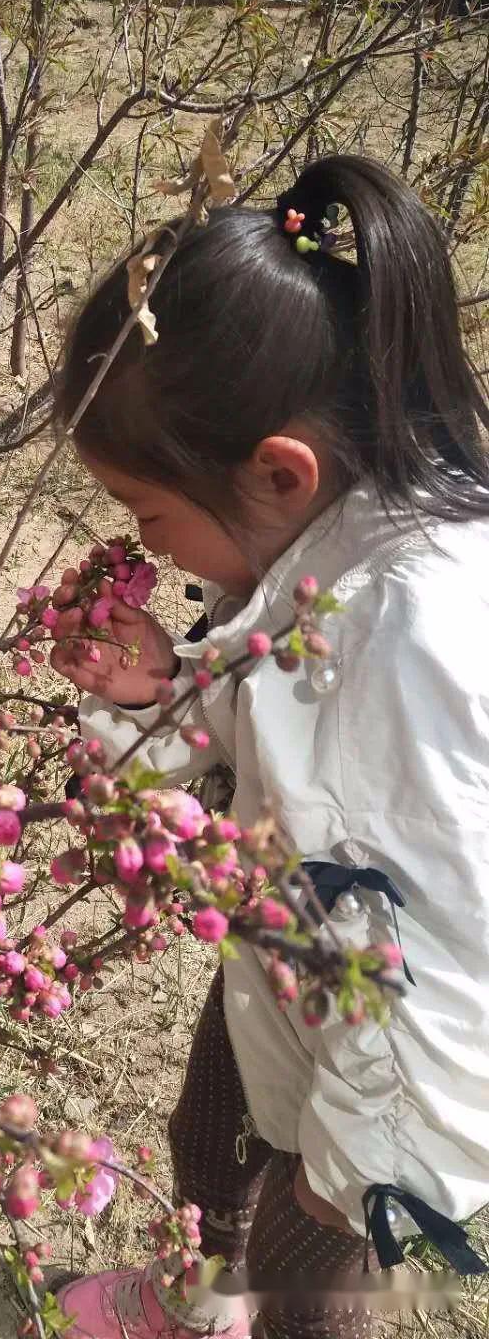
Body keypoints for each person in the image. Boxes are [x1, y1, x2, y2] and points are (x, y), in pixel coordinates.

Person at [48, 155, 489, 1339]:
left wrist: (371, 1153)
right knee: (209, 1133)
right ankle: (203, 1302)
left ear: (277, 470)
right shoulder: (332, 559)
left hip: (387, 1078)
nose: (147, 544)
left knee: (315, 1276)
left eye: (150, 515)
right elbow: (273, 729)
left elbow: (460, 951)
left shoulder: (416, 635)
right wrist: (156, 695)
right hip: (291, 977)